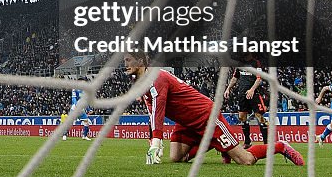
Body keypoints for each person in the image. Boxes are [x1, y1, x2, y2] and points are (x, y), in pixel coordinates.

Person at [123, 52, 304, 166]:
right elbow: (151, 111)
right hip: (186, 121)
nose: (125, 64)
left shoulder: (156, 78)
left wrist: (156, 141)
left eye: (128, 60)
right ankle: (215, 143)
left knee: (246, 160)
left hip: (205, 116)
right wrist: (152, 140)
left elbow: (158, 111)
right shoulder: (141, 82)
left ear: (140, 61)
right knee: (176, 157)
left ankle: (280, 146)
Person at [224, 53, 269, 148]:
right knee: (241, 117)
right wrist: (228, 88)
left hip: (254, 93)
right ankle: (247, 142)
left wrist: (252, 90)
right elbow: (235, 77)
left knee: (259, 116)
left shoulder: (256, 63)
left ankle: (266, 143)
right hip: (242, 94)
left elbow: (259, 79)